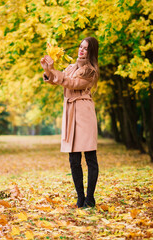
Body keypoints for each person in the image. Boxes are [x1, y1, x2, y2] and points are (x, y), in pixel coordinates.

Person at [40, 37, 100, 208]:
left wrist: (53, 71)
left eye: (86, 48)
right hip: (70, 113)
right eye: (81, 46)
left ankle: (90, 197)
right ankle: (80, 198)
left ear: (91, 52)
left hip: (84, 113)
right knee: (73, 159)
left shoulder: (90, 71)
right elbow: (57, 80)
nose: (81, 50)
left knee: (90, 157)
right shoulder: (71, 67)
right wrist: (48, 70)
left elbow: (72, 83)